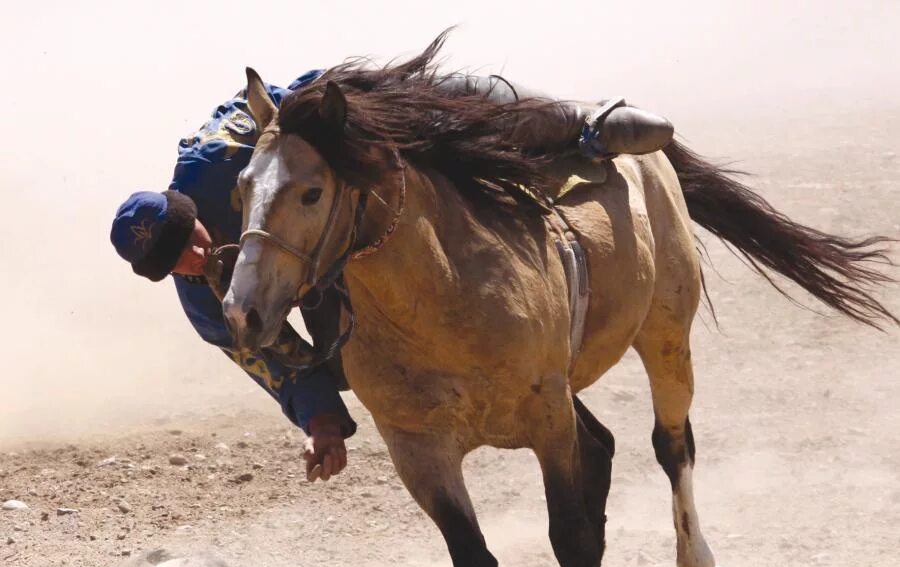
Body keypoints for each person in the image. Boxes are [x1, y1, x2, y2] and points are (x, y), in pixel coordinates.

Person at [109, 68, 673, 484]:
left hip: (330, 143)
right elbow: (274, 362)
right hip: (317, 274)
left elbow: (278, 109)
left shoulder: (216, 156)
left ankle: (582, 126)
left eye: (189, 242)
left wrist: (341, 119)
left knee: (449, 116)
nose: (190, 260)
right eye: (173, 265)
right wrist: (323, 420)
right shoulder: (206, 302)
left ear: (192, 212)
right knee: (343, 357)